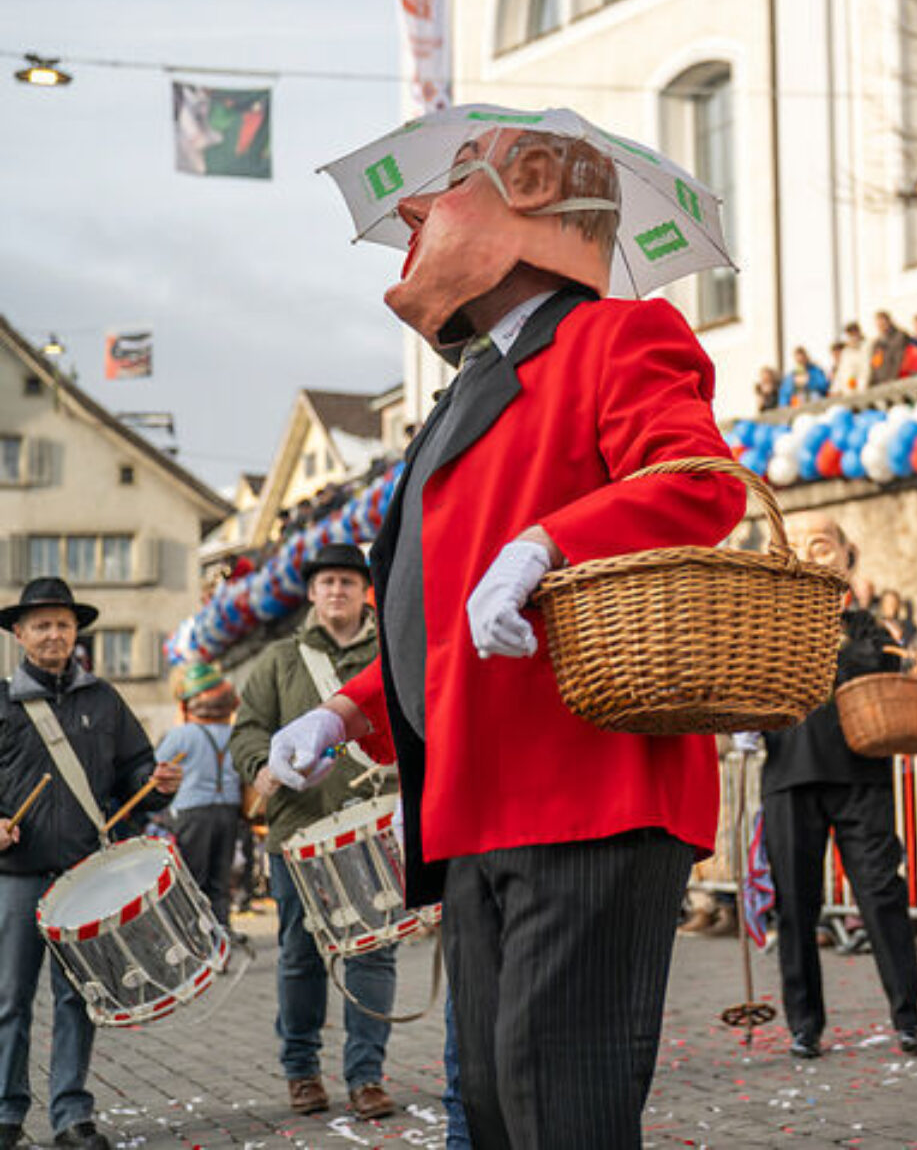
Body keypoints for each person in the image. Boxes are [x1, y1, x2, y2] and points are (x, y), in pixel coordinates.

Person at [268, 121, 747, 1147]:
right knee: (489, 1101)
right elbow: (442, 600)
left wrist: (549, 543)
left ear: (526, 192)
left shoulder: (619, 335)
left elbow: (699, 485)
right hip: (482, 800)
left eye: (442, 192)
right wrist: (348, 707)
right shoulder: (466, 388)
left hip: (587, 787)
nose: (414, 214)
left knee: (556, 1103)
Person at [0, 578, 181, 1150]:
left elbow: (137, 774)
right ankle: (5, 1115)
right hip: (18, 876)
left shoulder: (104, 700)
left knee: (78, 997)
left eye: (63, 623)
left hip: (86, 876)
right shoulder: (2, 704)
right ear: (20, 634)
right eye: (42, 624)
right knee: (9, 999)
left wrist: (156, 787)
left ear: (76, 632)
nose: (54, 634)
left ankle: (71, 1116)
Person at [230, 542, 400, 1122]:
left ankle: (366, 1076)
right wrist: (264, 766)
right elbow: (248, 731)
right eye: (327, 582)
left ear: (364, 592)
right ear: (311, 592)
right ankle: (302, 1071)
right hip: (298, 833)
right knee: (301, 957)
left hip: (376, 828)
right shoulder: (279, 660)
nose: (337, 592)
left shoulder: (395, 646)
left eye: (348, 583)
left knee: (374, 954)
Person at [757, 515, 917, 1060]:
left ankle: (909, 1016)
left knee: (882, 895)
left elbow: (886, 671)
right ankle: (803, 1024)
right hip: (789, 776)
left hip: (862, 778)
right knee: (796, 906)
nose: (812, 556)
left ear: (847, 556)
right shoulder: (763, 629)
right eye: (799, 547)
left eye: (823, 546)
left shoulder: (870, 630)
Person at [155, 661, 244, 932]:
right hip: (229, 810)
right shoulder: (236, 734)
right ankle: (221, 938)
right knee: (220, 881)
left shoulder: (181, 735)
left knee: (193, 880)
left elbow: (157, 769)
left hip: (191, 813)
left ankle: (195, 939)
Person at [830, 321, 869, 396]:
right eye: (850, 334)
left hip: (863, 389)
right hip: (847, 392)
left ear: (859, 332)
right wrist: (835, 389)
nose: (853, 336)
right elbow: (841, 372)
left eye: (855, 333)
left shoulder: (867, 347)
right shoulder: (846, 353)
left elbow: (867, 370)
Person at [868, 310, 908, 385]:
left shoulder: (900, 337)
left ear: (889, 322)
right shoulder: (877, 343)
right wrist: (871, 383)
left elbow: (899, 361)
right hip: (879, 383)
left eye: (883, 323)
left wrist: (892, 379)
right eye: (879, 325)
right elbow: (874, 365)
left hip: (894, 382)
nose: (881, 326)